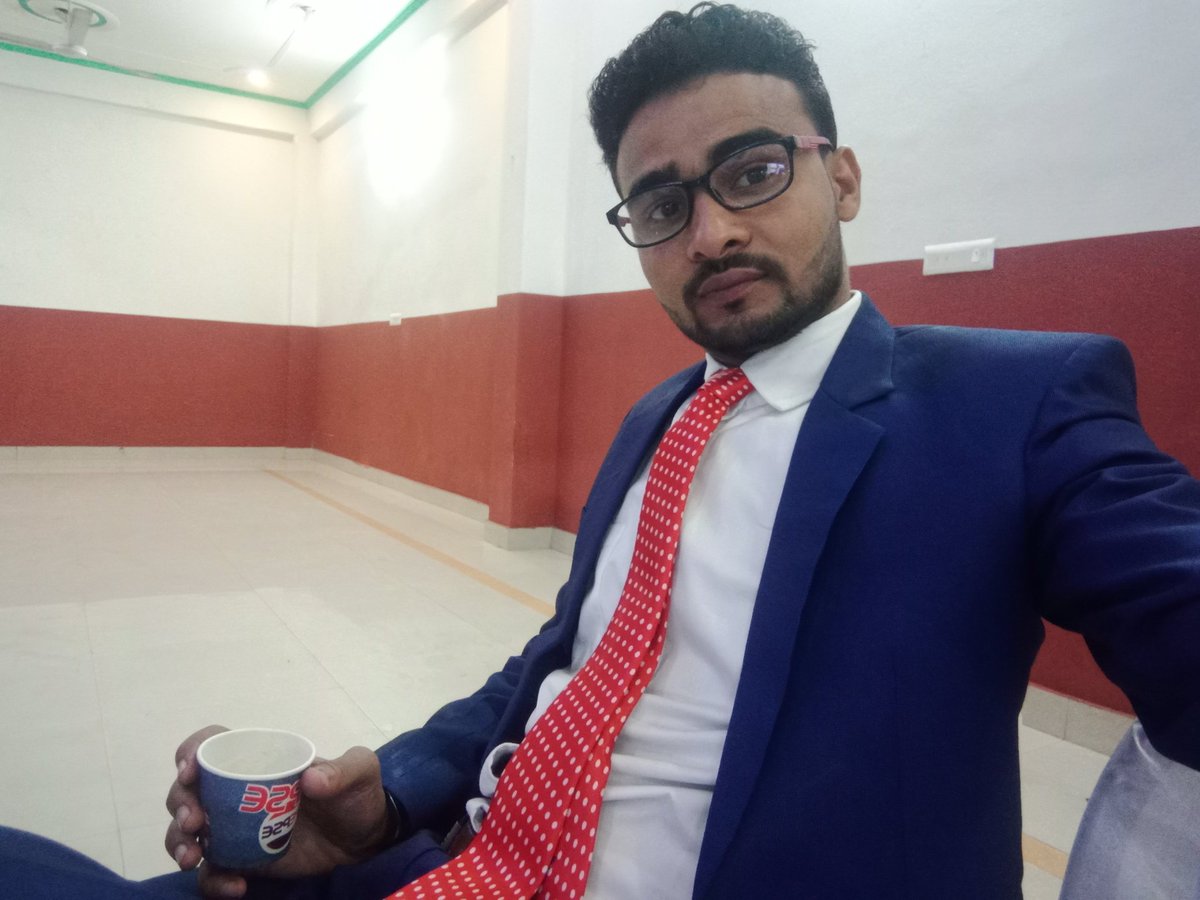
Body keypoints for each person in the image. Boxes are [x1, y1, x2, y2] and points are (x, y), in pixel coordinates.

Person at [1, 3, 1197, 898]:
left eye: (752, 171)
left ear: (841, 177)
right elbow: (561, 661)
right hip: (468, 855)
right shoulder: (657, 419)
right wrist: (387, 796)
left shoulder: (1012, 404)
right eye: (662, 203)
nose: (710, 231)